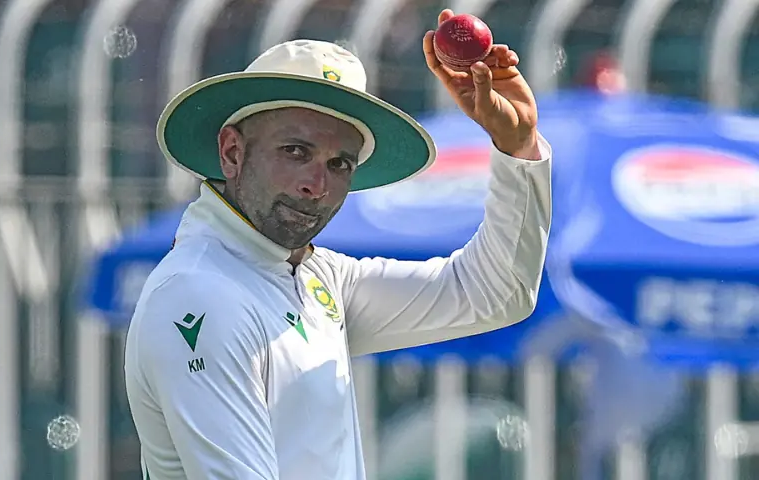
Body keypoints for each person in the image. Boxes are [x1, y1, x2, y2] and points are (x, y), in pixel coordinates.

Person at [125, 9, 552, 480]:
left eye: (340, 164)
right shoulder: (200, 292)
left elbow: (497, 293)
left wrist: (518, 147)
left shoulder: (313, 276)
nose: (317, 185)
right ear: (232, 151)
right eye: (296, 152)